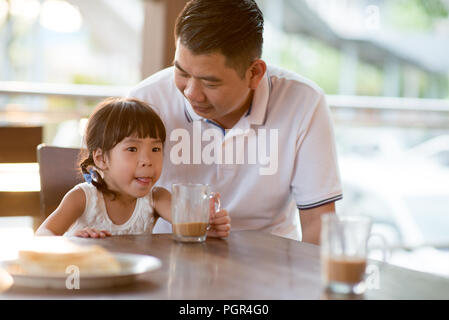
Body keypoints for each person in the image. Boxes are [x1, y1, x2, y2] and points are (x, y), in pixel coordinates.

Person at [129, 0, 342, 244]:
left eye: (210, 83)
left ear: (254, 74)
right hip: (170, 259)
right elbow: (115, 198)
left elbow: (318, 223)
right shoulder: (146, 101)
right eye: (182, 72)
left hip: (267, 266)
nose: (191, 93)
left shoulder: (304, 103)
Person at [35, 97, 230, 238]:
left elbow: (188, 223)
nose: (147, 160)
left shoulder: (156, 198)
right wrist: (73, 241)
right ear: (102, 159)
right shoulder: (83, 198)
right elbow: (43, 235)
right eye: (132, 148)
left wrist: (208, 223)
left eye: (155, 148)